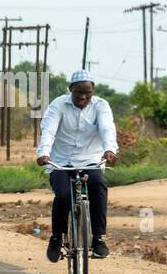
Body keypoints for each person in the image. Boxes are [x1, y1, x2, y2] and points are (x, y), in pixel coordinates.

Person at [36, 69, 118, 261]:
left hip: (91, 158)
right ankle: (56, 238)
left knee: (97, 185)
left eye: (87, 93)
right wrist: (44, 153)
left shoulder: (101, 106)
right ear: (70, 89)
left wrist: (110, 149)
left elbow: (107, 128)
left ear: (93, 91)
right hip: (60, 160)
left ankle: (99, 238)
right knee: (63, 195)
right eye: (78, 92)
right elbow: (49, 130)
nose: (83, 97)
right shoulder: (58, 105)